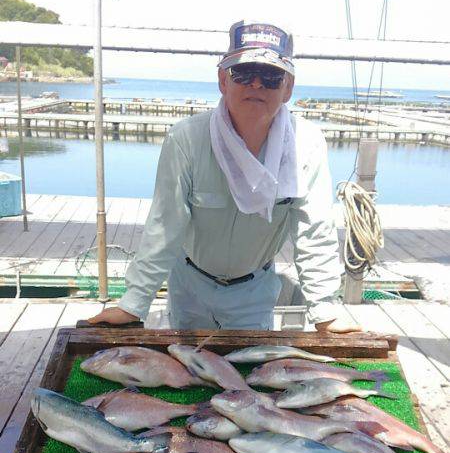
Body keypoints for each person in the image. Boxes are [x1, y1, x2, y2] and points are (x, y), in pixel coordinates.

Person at [88, 20, 359, 333]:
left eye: (271, 76)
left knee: (249, 365)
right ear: (222, 80)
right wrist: (133, 303)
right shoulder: (185, 139)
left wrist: (324, 311)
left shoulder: (307, 144)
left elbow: (314, 230)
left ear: (288, 88)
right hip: (190, 283)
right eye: (243, 73)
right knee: (188, 363)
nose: (256, 84)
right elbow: (164, 225)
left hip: (254, 289)